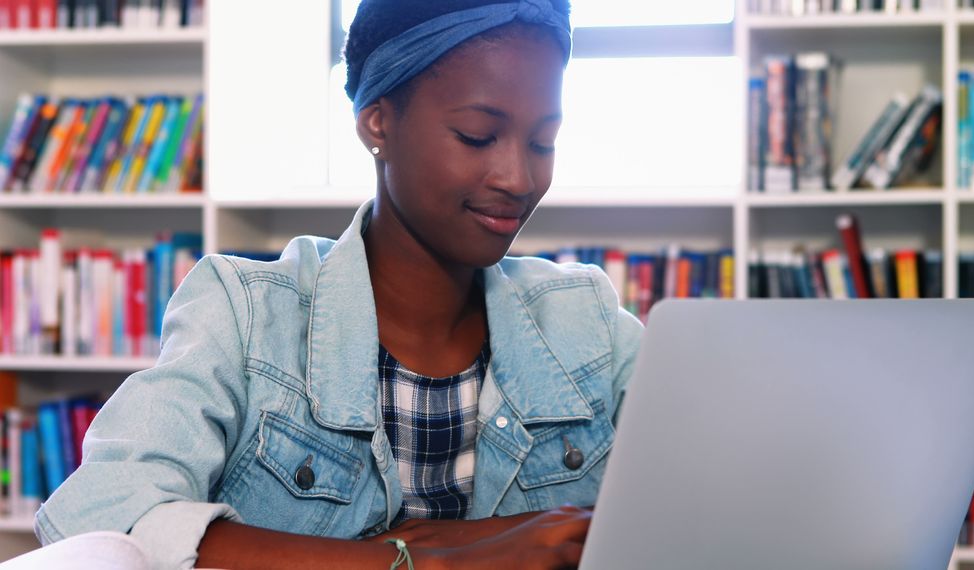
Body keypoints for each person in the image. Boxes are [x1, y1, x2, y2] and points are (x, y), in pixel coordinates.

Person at [34, 1, 643, 568]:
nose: (518, 176)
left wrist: (462, 537)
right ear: (377, 122)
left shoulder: (590, 323)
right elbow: (99, 520)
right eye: (477, 137)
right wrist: (419, 559)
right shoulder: (244, 314)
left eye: (544, 142)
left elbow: (700, 503)